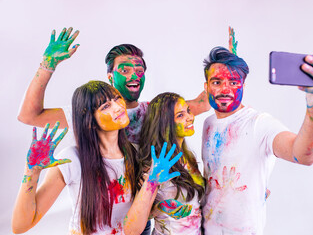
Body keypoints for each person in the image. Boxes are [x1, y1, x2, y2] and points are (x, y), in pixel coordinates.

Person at [201, 29, 313, 234]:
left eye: (233, 82)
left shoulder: (259, 124)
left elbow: (303, 154)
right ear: (206, 87)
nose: (225, 90)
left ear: (244, 87)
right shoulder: (208, 123)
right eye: (217, 82)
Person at [12, 81, 183, 235]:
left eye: (117, 99)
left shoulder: (135, 155)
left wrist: (154, 193)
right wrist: (32, 171)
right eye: (105, 106)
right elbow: (21, 226)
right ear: (89, 121)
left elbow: (133, 229)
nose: (118, 107)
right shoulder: (72, 159)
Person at [17, 27, 210, 145]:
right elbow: (29, 116)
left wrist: (223, 69)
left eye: (139, 70)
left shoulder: (154, 111)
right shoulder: (91, 113)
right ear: (110, 77)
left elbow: (202, 103)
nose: (134, 75)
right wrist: (47, 67)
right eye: (125, 70)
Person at [123, 92, 205, 235]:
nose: (190, 118)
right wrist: (152, 182)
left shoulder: (187, 156)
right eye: (180, 115)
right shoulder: (154, 166)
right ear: (165, 123)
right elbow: (131, 229)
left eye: (188, 111)